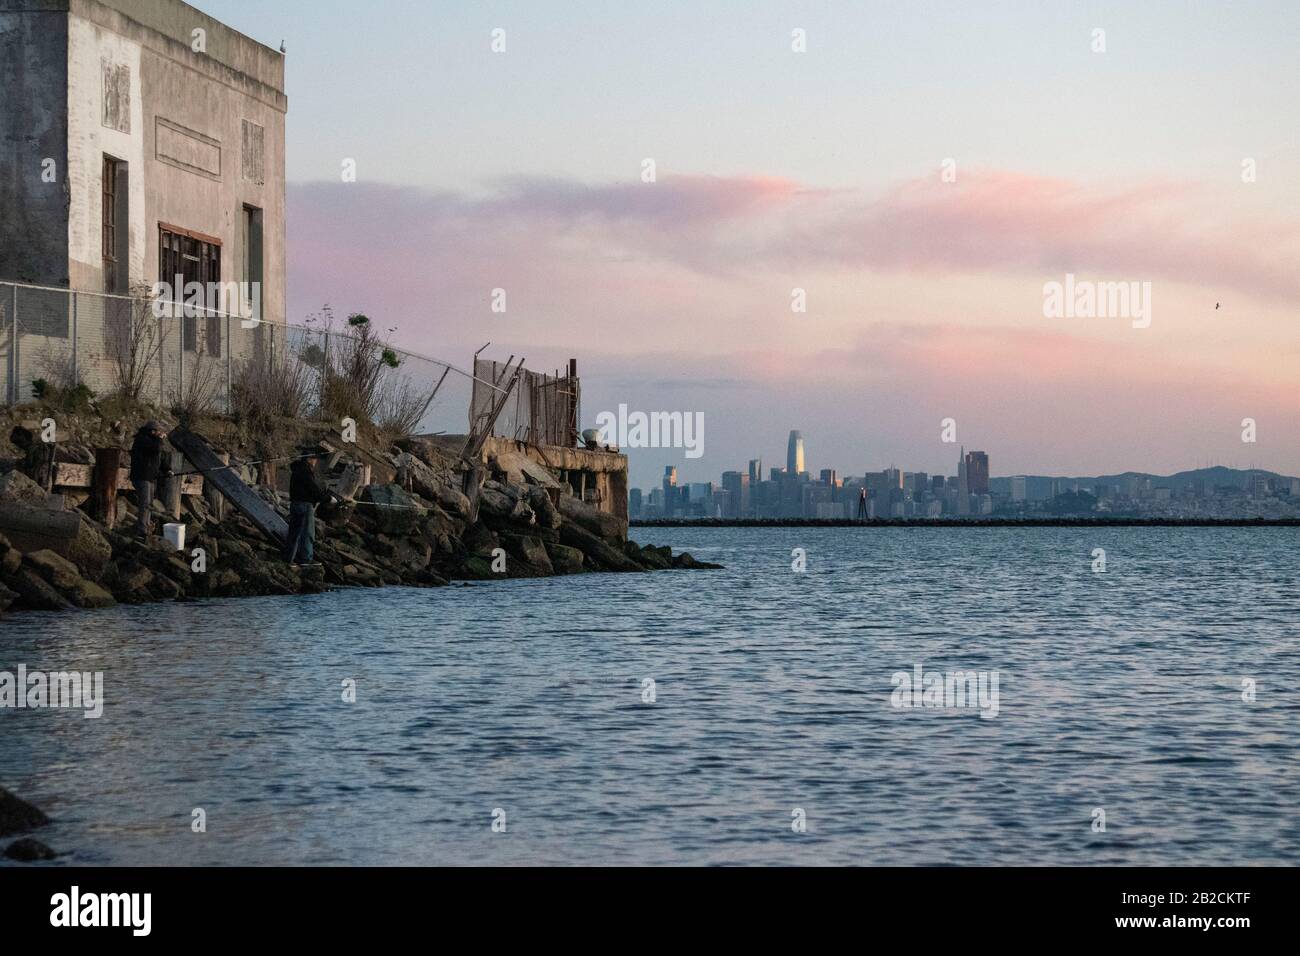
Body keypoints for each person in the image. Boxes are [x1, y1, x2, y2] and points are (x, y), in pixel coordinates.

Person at [285, 446, 335, 566]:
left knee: (294, 533)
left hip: (294, 504)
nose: (316, 461)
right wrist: (329, 499)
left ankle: (288, 558)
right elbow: (314, 490)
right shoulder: (306, 472)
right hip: (305, 506)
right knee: (307, 533)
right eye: (314, 459)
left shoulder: (296, 470)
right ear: (308, 459)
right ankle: (305, 559)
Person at [129, 421, 171, 538]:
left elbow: (159, 457)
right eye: (159, 432)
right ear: (153, 431)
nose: (161, 435)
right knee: (145, 503)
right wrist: (160, 439)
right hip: (141, 477)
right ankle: (142, 530)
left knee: (149, 504)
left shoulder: (153, 442)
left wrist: (167, 469)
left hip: (150, 478)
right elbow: (156, 449)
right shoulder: (142, 440)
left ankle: (145, 527)